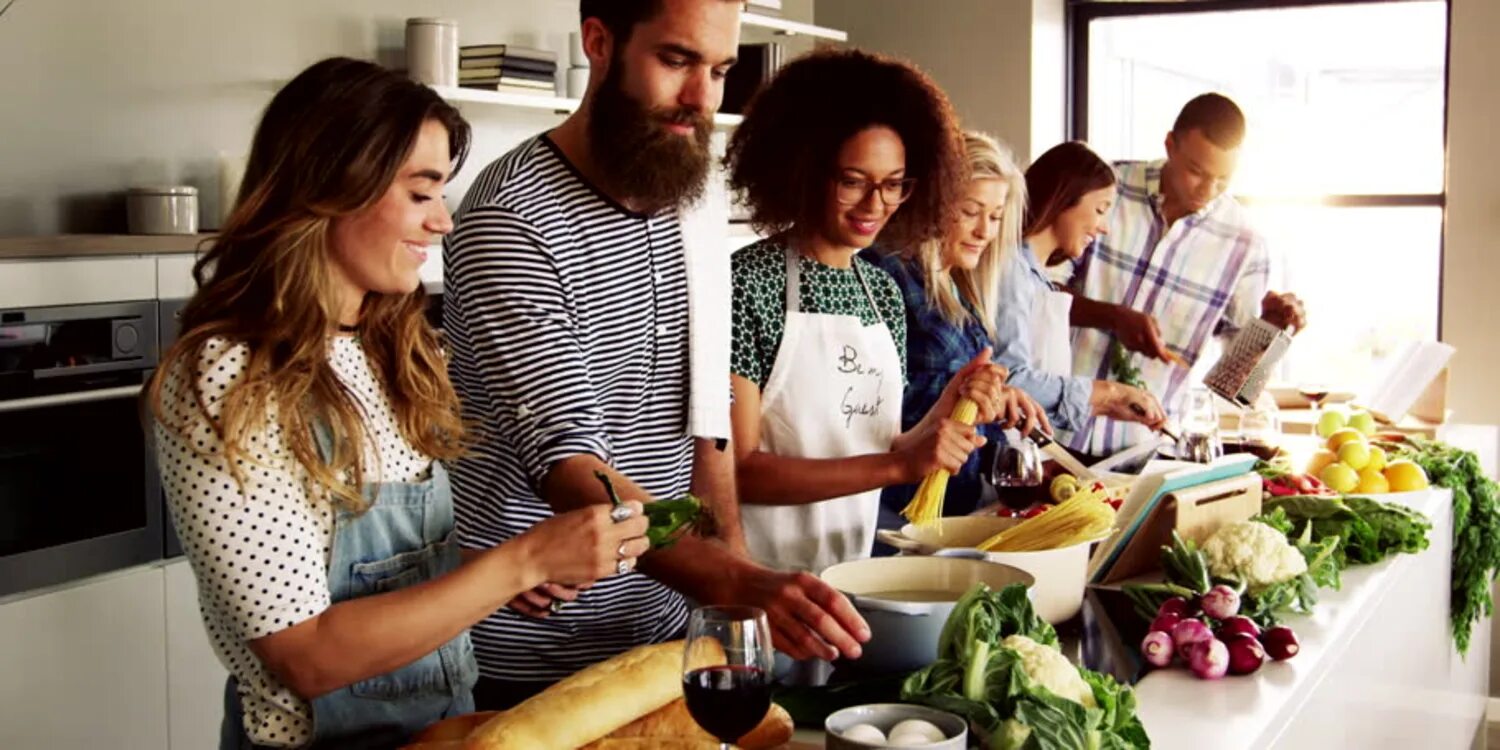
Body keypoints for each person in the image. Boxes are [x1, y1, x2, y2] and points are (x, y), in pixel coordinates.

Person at [149, 58, 650, 750]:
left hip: (444, 731)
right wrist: (522, 563)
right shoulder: (230, 377)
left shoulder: (392, 349)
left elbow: (368, 568)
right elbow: (306, 655)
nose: (444, 222)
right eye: (422, 193)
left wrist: (482, 572)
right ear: (333, 186)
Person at [444, 0, 870, 711]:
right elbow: (572, 469)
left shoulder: (689, 195)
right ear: (599, 41)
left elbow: (708, 425)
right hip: (533, 658)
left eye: (721, 70)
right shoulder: (510, 219)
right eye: (677, 61)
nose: (703, 98)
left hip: (669, 635)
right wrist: (742, 585)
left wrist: (731, 598)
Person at [724, 49, 1021, 577]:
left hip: (850, 572)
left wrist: (946, 410)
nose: (874, 205)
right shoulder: (749, 282)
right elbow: (738, 471)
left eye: (894, 184)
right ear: (804, 169)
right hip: (760, 578)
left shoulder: (880, 291)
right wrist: (898, 463)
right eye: (853, 180)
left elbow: (881, 444)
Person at [1062, 93, 1307, 456]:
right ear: (1170, 145)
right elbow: (1033, 294)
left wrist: (1271, 332)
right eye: (1196, 171)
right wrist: (1112, 317)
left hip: (1145, 452)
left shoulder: (1245, 244)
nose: (1207, 191)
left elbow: (1236, 389)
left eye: (1223, 180)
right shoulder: (1102, 189)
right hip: (1051, 435)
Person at [862, 132, 1051, 526]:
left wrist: (996, 397)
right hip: (895, 513)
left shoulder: (961, 286)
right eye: (970, 211)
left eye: (996, 216)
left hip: (954, 507)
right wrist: (961, 395)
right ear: (935, 202)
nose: (985, 230)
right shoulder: (886, 274)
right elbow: (867, 408)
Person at [993, 141, 1167, 444]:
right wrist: (1109, 394)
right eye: (1100, 210)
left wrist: (1108, 404)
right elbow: (1010, 379)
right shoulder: (1011, 269)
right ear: (1065, 197)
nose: (1104, 228)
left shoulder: (1037, 277)